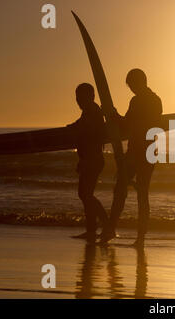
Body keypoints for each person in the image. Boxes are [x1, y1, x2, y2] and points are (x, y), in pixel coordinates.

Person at [101, 69, 162, 247]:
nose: (130, 89)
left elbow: (126, 125)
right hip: (149, 150)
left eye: (131, 85)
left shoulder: (138, 100)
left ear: (138, 82)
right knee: (142, 195)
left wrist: (112, 114)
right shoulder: (156, 100)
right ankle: (140, 239)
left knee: (121, 191)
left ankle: (111, 229)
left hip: (138, 151)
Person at [68, 83, 108, 243]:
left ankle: (107, 225)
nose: (77, 101)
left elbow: (90, 128)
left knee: (85, 194)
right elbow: (81, 124)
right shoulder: (88, 111)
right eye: (76, 97)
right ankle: (91, 230)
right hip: (88, 159)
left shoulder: (94, 111)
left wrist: (76, 128)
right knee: (85, 194)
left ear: (89, 97)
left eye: (80, 97)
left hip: (93, 159)